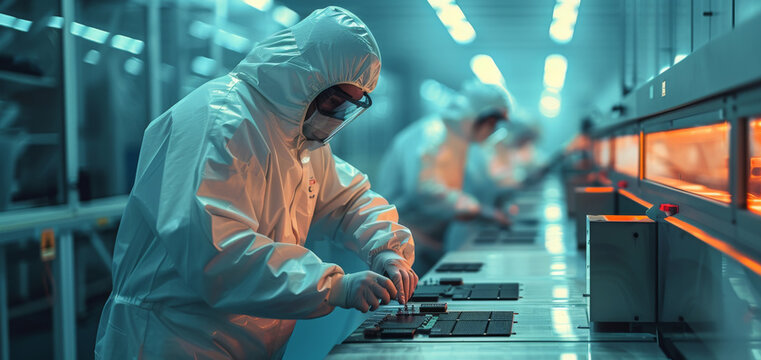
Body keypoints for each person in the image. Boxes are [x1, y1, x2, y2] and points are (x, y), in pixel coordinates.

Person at [94, 7, 418, 359]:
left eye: (346, 107)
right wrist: (335, 286)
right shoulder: (220, 122)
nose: (334, 116)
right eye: (334, 101)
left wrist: (386, 248)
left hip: (239, 343)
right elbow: (218, 254)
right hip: (173, 339)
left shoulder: (297, 139)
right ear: (307, 77)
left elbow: (348, 201)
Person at [377, 81, 512, 270]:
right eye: (491, 123)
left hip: (428, 239)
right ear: (472, 116)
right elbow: (424, 190)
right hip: (401, 237)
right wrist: (478, 209)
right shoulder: (431, 134)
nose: (492, 129)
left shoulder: (460, 140)